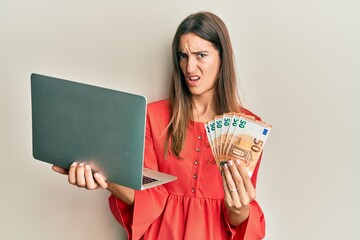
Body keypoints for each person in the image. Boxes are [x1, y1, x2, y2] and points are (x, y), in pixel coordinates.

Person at [53, 11, 266, 240]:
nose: (190, 67)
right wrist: (103, 177)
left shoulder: (246, 128)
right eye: (183, 56)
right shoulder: (153, 117)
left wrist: (240, 210)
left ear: (222, 56)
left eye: (200, 55)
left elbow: (238, 217)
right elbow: (148, 200)